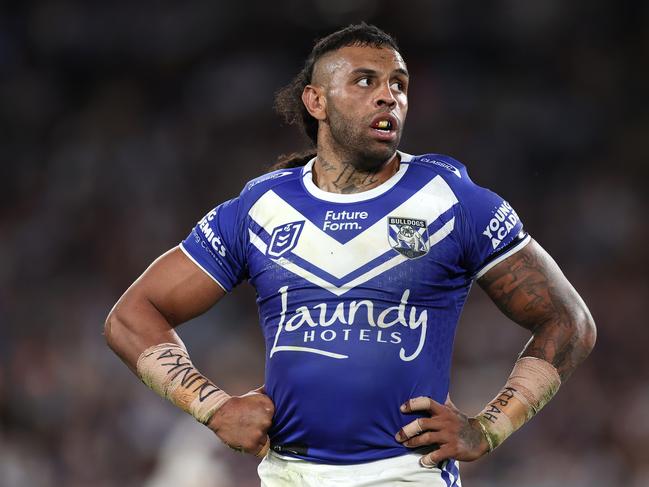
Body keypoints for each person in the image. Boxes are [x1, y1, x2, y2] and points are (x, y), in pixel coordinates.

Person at [105, 23, 596, 487]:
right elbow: (131, 317)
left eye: (399, 84)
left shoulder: (453, 201)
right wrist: (211, 406)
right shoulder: (261, 208)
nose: (390, 96)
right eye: (366, 81)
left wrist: (490, 426)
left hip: (409, 475)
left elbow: (568, 321)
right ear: (316, 100)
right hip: (290, 477)